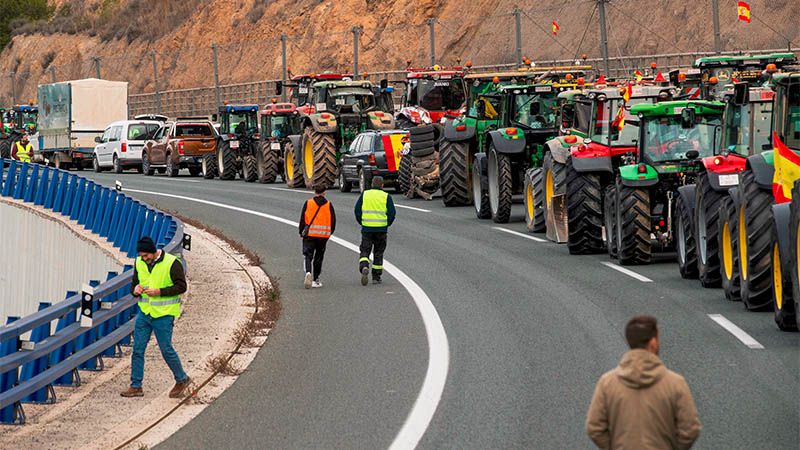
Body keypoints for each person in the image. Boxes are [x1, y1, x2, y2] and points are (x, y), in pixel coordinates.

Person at [586, 315, 701, 450]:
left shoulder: (607, 382)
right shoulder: (675, 383)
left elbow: (594, 427)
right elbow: (690, 428)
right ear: (653, 343)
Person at [121, 236, 191, 398]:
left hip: (164, 314)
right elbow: (134, 285)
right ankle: (136, 386)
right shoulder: (139, 262)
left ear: (153, 252)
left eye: (146, 255)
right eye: (141, 256)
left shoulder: (172, 263)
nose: (144, 258)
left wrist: (160, 292)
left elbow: (182, 286)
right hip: (145, 313)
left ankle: (182, 379)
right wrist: (135, 290)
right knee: (137, 350)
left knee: (166, 349)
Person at [354, 176, 396, 285]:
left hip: (367, 228)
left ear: (372, 184)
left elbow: (357, 210)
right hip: (381, 230)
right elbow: (392, 213)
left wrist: (362, 222)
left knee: (365, 250)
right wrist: (386, 224)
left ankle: (364, 266)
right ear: (382, 185)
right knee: (378, 252)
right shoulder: (386, 196)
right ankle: (376, 277)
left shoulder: (365, 194)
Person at [299, 184, 336, 289]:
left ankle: (308, 272)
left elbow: (302, 219)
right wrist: (329, 233)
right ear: (324, 192)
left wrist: (301, 232)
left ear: (315, 192)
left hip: (310, 235)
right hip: (323, 236)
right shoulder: (328, 205)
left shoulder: (308, 203)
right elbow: (333, 222)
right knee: (319, 257)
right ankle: (316, 279)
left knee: (308, 255)